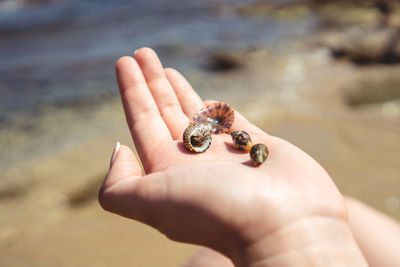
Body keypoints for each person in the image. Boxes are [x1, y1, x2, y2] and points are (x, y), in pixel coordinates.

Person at [98, 47, 400, 267]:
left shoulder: (232, 141)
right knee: (350, 210)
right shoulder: (217, 136)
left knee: (206, 262)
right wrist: (304, 230)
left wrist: (274, 238)